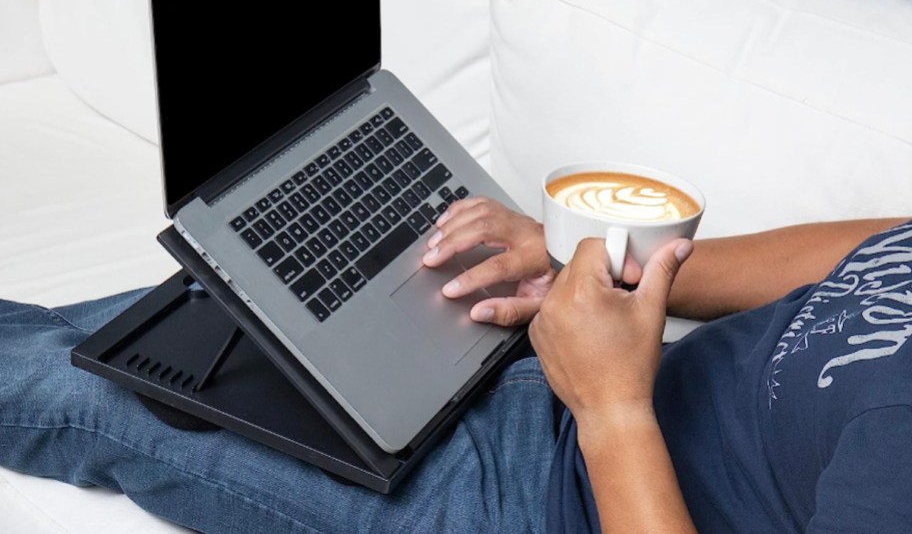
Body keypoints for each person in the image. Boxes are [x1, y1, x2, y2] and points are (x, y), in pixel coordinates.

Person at [0, 197, 909, 533]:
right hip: (574, 360)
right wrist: (589, 268)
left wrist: (610, 410)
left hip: (535, 496)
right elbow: (879, 246)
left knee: (67, 387)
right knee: (180, 319)